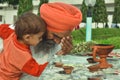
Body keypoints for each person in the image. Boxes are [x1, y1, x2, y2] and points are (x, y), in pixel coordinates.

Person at [20, 2, 82, 80]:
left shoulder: (51, 42)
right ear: (44, 25)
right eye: (55, 36)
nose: (57, 42)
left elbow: (52, 65)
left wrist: (64, 52)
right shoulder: (16, 37)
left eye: (62, 39)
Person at [0, 12, 49, 80]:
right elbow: (37, 71)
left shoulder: (10, 34)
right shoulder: (23, 57)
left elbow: (2, 28)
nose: (41, 39)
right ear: (27, 37)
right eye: (39, 37)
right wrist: (51, 63)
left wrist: (18, 26)